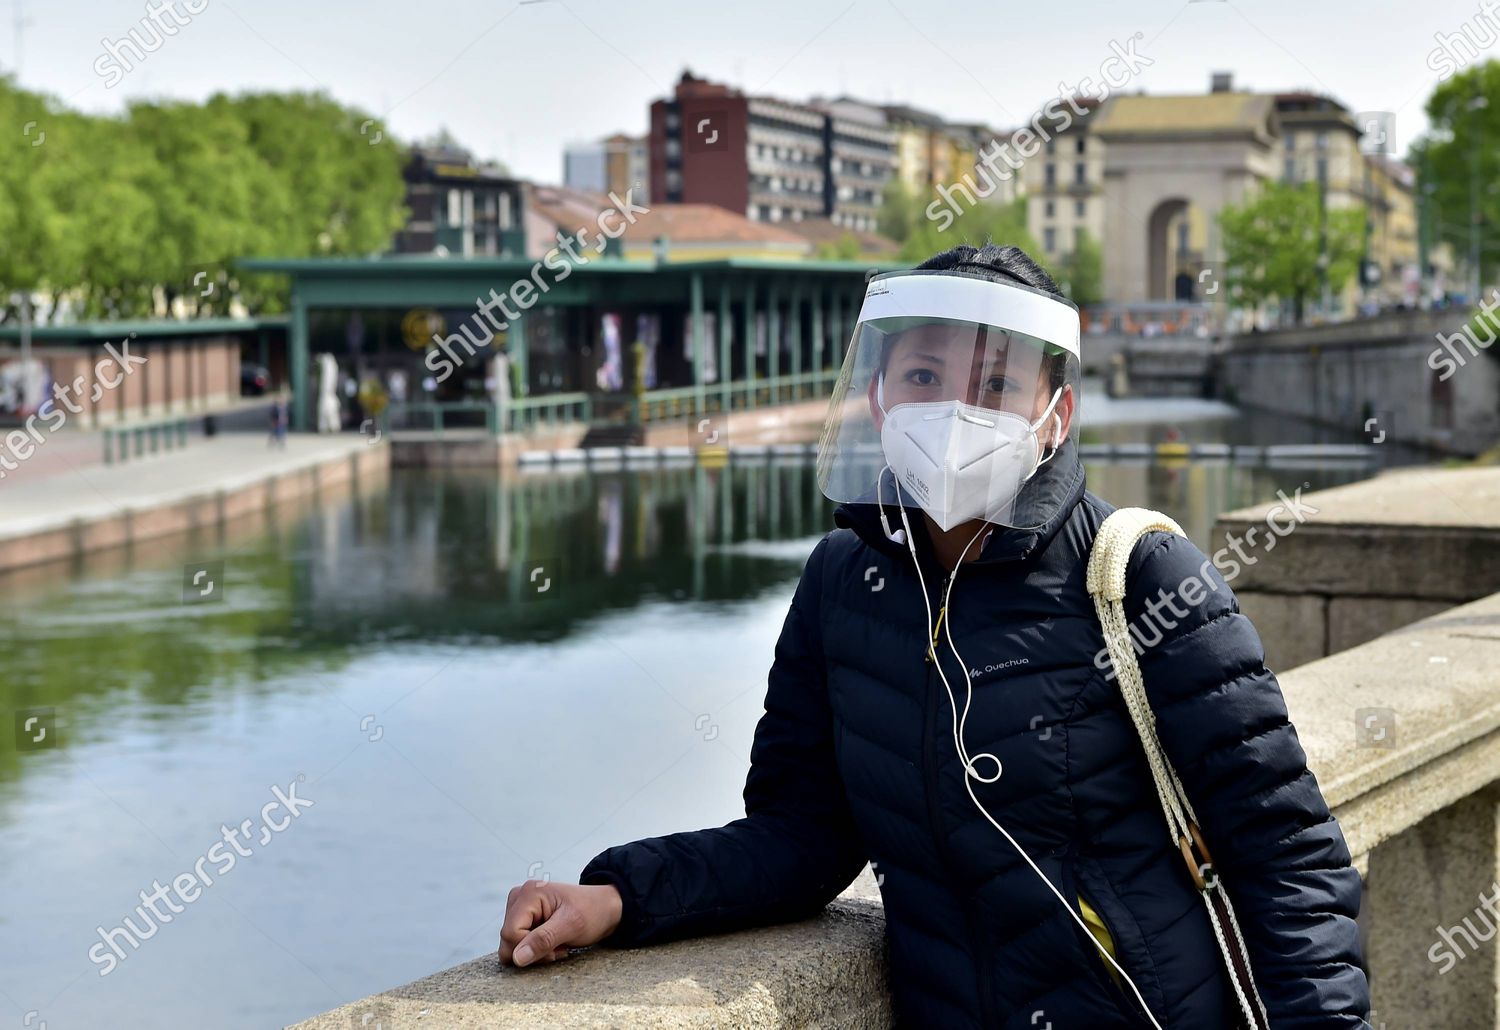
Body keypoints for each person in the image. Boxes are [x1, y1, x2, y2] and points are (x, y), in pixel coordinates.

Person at [499, 244, 1371, 1028]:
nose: (953, 410)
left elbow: (1287, 857)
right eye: (923, 376)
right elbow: (802, 837)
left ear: (1055, 415)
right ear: (878, 397)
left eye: (995, 386)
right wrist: (619, 894)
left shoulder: (1141, 575)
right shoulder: (842, 582)